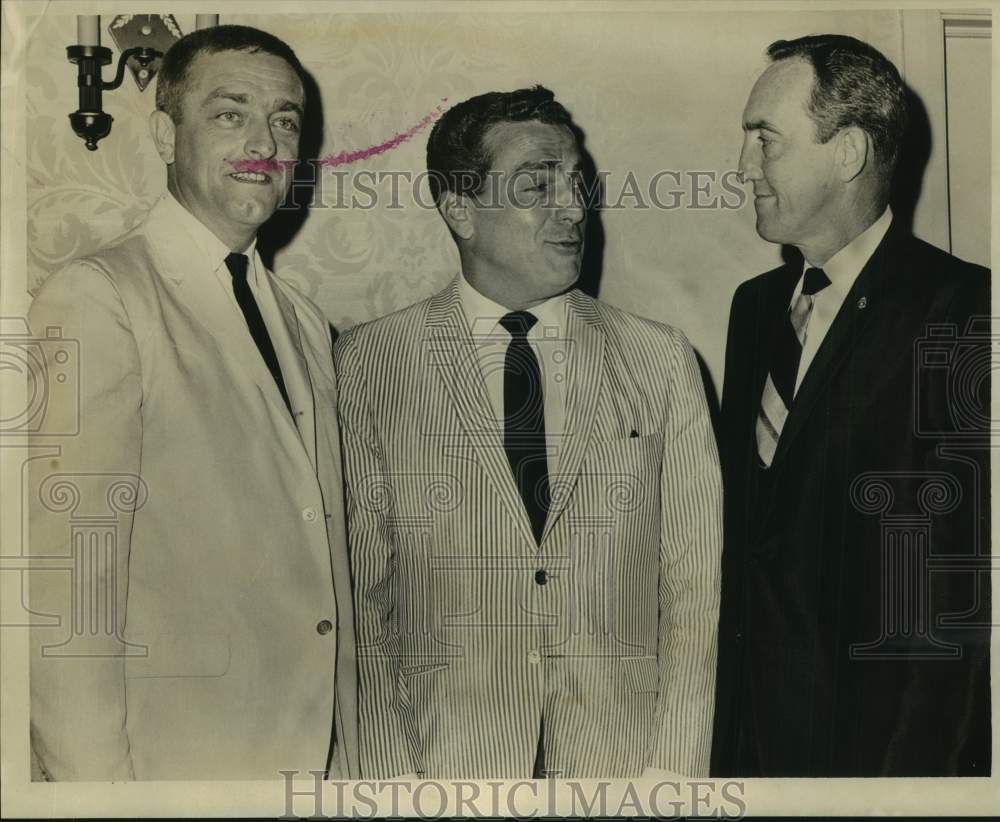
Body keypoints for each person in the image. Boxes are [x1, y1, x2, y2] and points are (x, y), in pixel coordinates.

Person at [334, 86, 722, 780]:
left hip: (620, 766)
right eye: (537, 186)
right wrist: (393, 787)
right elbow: (364, 601)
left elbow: (694, 594)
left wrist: (673, 779)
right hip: (445, 768)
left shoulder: (661, 360)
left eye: (577, 184)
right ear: (460, 211)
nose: (573, 209)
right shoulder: (369, 361)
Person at [27, 25, 358, 781]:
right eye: (231, 112)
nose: (265, 142)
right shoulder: (99, 295)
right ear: (166, 135)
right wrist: (97, 797)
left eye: (285, 120)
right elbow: (66, 589)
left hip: (308, 764)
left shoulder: (304, 320)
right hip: (169, 767)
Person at [711, 34, 991, 777]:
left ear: (849, 153)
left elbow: (953, 594)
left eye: (764, 141)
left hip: (875, 757)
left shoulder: (964, 311)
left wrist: (912, 787)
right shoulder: (755, 308)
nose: (744, 169)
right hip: (749, 748)